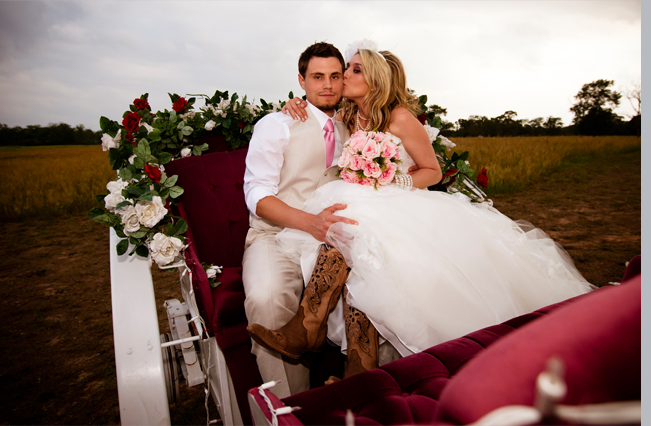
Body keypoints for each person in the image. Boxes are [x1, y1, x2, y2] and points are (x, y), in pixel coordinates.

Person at [246, 40, 595, 382]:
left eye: (346, 72)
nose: (336, 82)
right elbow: (311, 131)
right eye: (325, 76)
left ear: (375, 80)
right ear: (302, 80)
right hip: (347, 205)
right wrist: (295, 106)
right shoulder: (347, 117)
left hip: (391, 203)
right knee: (354, 244)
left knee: (357, 241)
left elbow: (432, 171)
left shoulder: (396, 117)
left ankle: (328, 344)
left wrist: (387, 179)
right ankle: (344, 357)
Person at [242, 41, 362, 398]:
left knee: (381, 290)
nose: (326, 84)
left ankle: (366, 393)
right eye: (317, 76)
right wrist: (308, 223)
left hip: (336, 241)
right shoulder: (277, 124)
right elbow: (257, 196)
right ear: (302, 81)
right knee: (266, 298)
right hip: (274, 236)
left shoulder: (356, 126)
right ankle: (288, 407)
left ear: (344, 81)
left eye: (334, 76)